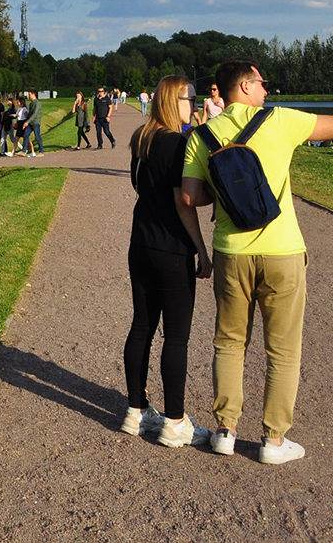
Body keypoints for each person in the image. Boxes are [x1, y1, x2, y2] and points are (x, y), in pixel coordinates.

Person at [180, 60, 333, 466]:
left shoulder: (203, 133)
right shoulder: (280, 121)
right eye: (263, 84)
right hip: (282, 249)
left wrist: (227, 191)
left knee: (229, 343)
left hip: (231, 251)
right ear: (247, 87)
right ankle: (272, 439)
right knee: (283, 350)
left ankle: (225, 431)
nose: (267, 91)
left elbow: (190, 197)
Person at [122, 75, 212, 448]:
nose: (194, 102)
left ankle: (136, 411)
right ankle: (176, 421)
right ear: (175, 101)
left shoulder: (141, 139)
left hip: (140, 241)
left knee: (142, 324)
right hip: (171, 247)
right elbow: (184, 202)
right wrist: (202, 250)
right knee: (176, 335)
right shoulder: (179, 143)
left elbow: (140, 188)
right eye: (190, 97)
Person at [23, 90, 44, 155]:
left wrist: (27, 122)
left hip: (36, 122)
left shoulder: (37, 103)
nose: (29, 96)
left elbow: (34, 114)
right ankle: (24, 151)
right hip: (30, 122)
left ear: (33, 94)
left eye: (30, 95)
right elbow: (30, 114)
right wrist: (27, 118)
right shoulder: (31, 103)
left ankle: (41, 151)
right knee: (26, 135)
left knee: (37, 136)